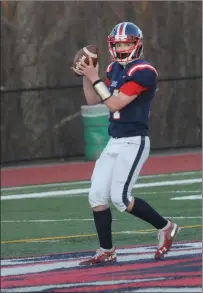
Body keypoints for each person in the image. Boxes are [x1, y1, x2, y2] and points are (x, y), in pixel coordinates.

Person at [72, 22, 180, 266]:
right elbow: (93, 100)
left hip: (134, 141)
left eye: (126, 43)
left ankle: (166, 226)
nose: (121, 48)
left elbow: (114, 104)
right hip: (115, 141)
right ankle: (107, 250)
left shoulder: (144, 70)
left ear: (137, 45)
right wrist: (87, 77)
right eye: (118, 44)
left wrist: (95, 77)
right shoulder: (113, 68)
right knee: (97, 196)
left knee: (120, 198)